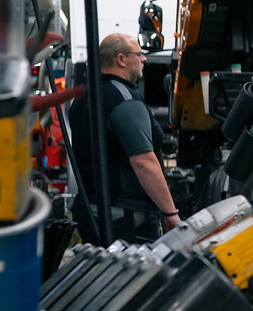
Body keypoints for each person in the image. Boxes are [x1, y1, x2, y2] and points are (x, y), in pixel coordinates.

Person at [67, 33, 182, 243]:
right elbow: (143, 162)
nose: (144, 59)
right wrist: (170, 212)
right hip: (125, 216)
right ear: (121, 59)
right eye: (139, 54)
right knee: (138, 276)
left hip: (92, 209)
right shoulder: (124, 98)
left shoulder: (83, 98)